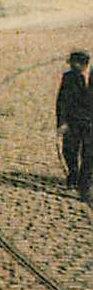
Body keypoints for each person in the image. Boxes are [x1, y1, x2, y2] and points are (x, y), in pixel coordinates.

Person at [56, 50, 93, 201]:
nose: (72, 67)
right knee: (69, 150)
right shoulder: (68, 77)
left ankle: (84, 184)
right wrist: (62, 122)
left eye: (74, 64)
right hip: (73, 121)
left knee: (90, 154)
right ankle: (73, 174)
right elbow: (62, 101)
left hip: (91, 122)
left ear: (83, 64)